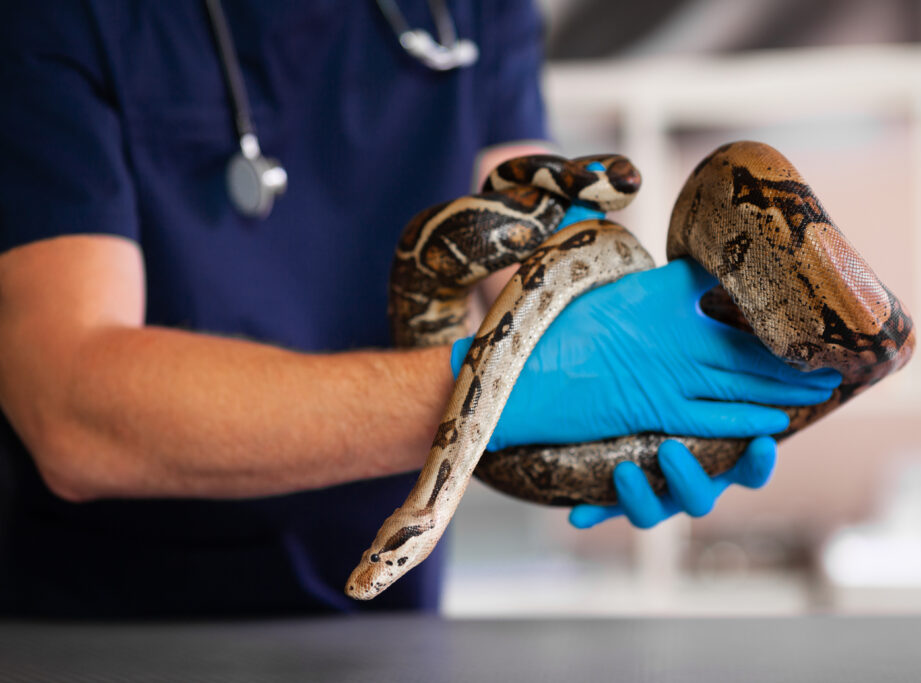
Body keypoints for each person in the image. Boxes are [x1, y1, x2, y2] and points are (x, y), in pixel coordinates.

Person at [0, 1, 838, 618]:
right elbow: (69, 408)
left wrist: (624, 400)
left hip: (385, 632)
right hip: (104, 623)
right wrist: (514, 387)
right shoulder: (53, 22)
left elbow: (534, 225)